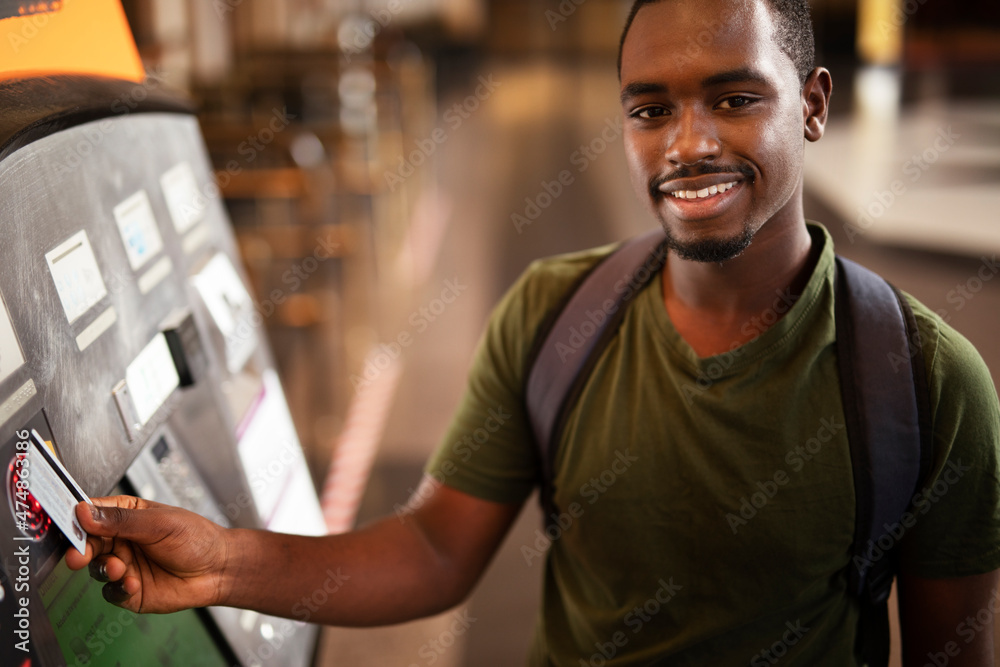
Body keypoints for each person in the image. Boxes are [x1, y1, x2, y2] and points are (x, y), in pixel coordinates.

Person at [68, 0, 1000, 664]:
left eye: (734, 97)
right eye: (650, 109)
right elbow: (435, 549)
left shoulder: (921, 379)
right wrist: (224, 561)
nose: (688, 142)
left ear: (813, 104)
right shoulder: (557, 315)